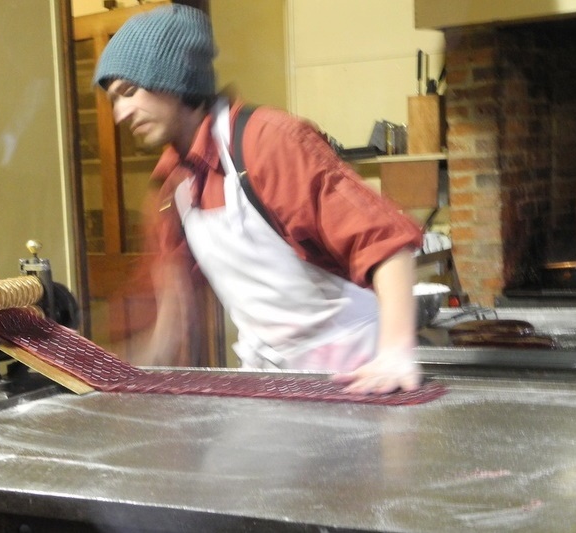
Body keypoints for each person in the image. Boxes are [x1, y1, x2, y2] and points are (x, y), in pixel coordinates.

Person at [93, 4, 424, 395]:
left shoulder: (267, 143)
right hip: (270, 381)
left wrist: (397, 351)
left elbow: (386, 245)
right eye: (114, 99)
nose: (120, 113)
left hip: (356, 376)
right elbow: (175, 315)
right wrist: (114, 379)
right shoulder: (172, 185)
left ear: (173, 77)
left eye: (129, 92)